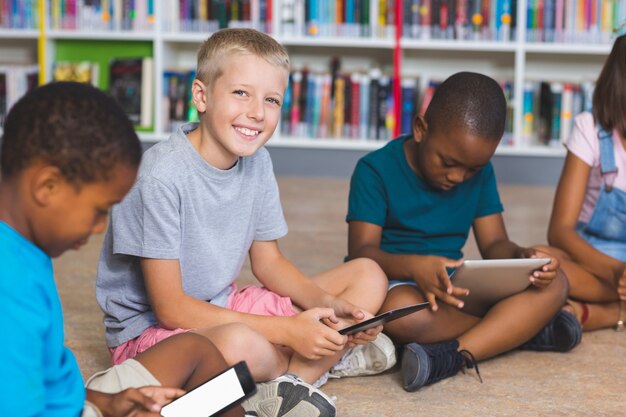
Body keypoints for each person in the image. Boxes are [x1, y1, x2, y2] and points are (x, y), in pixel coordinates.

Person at [95, 28, 392, 417]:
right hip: (154, 335)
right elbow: (170, 309)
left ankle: (290, 382)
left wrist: (333, 308)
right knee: (244, 342)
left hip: (223, 303)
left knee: (368, 276)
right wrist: (289, 332)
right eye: (241, 93)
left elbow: (269, 262)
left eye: (272, 100)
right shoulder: (159, 176)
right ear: (201, 96)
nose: (257, 112)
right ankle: (311, 366)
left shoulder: (257, 162)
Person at [0, 82, 245, 416]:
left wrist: (108, 403)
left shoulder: (22, 246)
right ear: (47, 186)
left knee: (195, 349)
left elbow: (47, 380)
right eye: (100, 209)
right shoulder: (10, 290)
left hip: (75, 404)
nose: (101, 227)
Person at [346, 71, 583, 392]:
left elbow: (495, 243)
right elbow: (362, 253)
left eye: (472, 169)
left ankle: (451, 356)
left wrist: (522, 257)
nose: (458, 177)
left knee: (556, 284)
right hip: (397, 284)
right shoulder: (374, 170)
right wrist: (416, 266)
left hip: (452, 287)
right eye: (448, 162)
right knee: (400, 314)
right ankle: (516, 331)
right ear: (420, 129)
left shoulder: (480, 172)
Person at [538, 32, 626, 332]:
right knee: (539, 260)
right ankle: (614, 307)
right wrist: (618, 273)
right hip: (592, 258)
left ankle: (596, 313)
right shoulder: (589, 128)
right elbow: (560, 231)